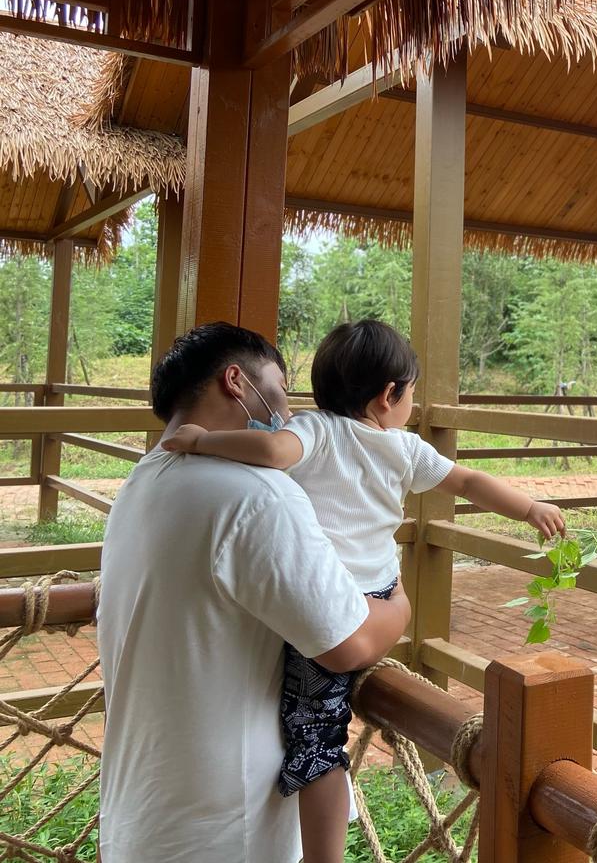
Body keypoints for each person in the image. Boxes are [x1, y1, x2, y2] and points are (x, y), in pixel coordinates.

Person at [163, 319, 566, 863]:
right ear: (388, 395)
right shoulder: (406, 449)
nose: (412, 406)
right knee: (324, 727)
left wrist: (202, 440)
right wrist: (530, 508)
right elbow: (469, 482)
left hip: (325, 602)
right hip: (376, 592)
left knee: (315, 741)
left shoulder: (316, 429)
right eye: (412, 393)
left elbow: (274, 452)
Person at [97, 323, 412, 863]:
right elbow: (349, 643)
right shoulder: (256, 496)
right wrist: (399, 602)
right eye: (281, 391)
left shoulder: (144, 480)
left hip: (139, 817)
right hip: (225, 830)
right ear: (236, 382)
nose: (287, 413)